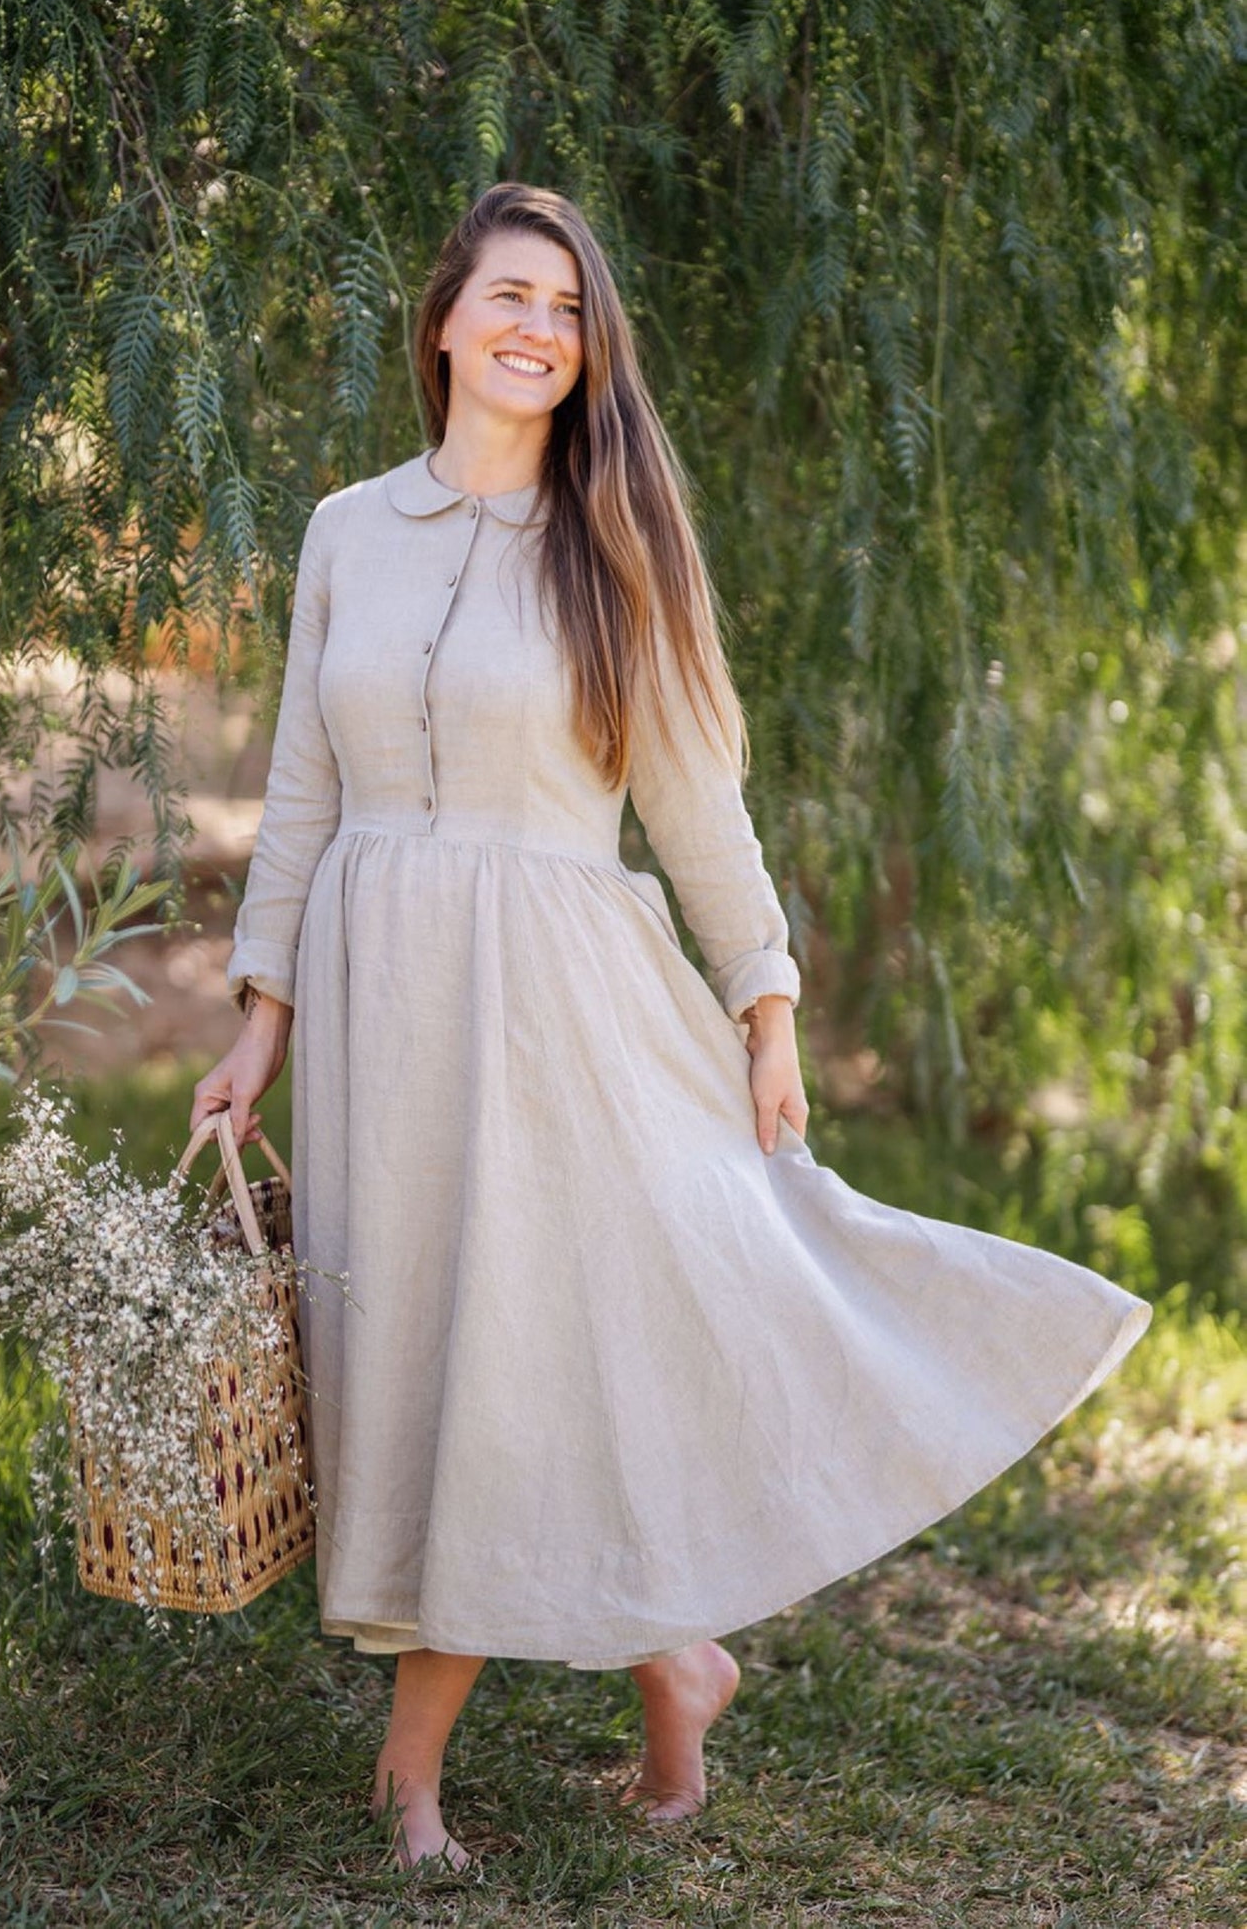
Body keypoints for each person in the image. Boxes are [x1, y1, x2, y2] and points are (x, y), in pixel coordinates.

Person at [189, 183, 1151, 1875]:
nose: (538, 329)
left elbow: (697, 804)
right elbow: (301, 791)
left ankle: (408, 1774)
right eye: (510, 295)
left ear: (589, 348)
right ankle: (678, 1664)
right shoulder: (347, 530)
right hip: (375, 1002)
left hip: (559, 1004)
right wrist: (258, 1019)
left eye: (568, 309)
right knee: (425, 1346)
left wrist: (765, 1004)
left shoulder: (614, 543)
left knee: (517, 1344)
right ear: (442, 323)